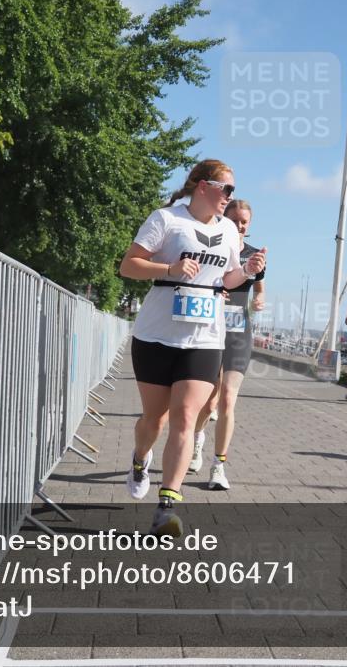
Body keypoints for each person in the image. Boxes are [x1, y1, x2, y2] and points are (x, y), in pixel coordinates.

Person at [119, 160, 266, 536]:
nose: (229, 198)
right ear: (203, 186)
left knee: (186, 418)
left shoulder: (230, 230)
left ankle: (167, 505)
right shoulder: (166, 219)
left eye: (233, 191)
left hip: (204, 338)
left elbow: (227, 279)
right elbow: (129, 266)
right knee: (154, 421)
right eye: (226, 190)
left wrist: (247, 271)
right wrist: (168, 269)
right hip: (156, 335)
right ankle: (139, 459)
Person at [187, 199, 266, 490]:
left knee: (228, 399)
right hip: (210, 330)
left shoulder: (256, 254)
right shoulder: (214, 249)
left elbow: (258, 286)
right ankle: (196, 442)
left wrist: (259, 299)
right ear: (225, 219)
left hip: (238, 333)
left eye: (245, 221)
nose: (241, 225)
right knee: (208, 402)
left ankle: (218, 466)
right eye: (235, 220)